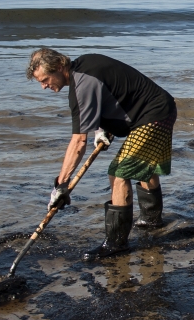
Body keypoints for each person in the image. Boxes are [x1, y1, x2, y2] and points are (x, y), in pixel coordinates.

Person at [25, 48, 176, 259]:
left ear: (59, 67)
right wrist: (102, 128)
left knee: (119, 172)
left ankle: (116, 244)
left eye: (45, 79)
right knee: (142, 164)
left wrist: (61, 184)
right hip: (158, 108)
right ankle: (151, 221)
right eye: (40, 82)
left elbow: (78, 142)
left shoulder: (81, 83)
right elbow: (111, 93)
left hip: (154, 114)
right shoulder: (85, 66)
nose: (44, 86)